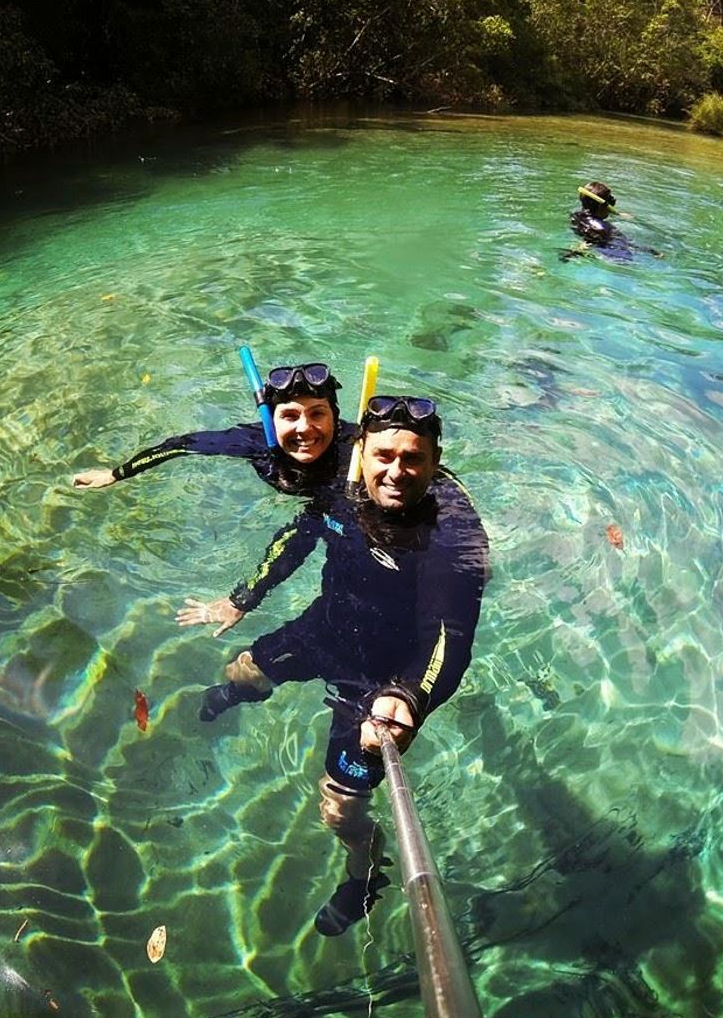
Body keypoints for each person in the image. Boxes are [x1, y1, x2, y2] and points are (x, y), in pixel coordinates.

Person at [177, 395, 490, 936]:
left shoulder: (452, 532)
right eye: (385, 455)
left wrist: (410, 697)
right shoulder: (341, 487)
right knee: (241, 670)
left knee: (340, 809)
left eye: (414, 459)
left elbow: (449, 640)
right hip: (328, 627)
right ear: (361, 451)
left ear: (436, 461)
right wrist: (241, 599)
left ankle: (362, 876)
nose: (396, 472)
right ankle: (238, 696)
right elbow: (298, 537)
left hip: (382, 680)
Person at [71, 363, 353, 495]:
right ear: (270, 420)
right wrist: (116, 474)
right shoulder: (253, 442)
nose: (305, 428)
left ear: (335, 417)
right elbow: (180, 445)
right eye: (290, 416)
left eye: (318, 413)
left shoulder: (356, 443)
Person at [561, 181, 644, 261]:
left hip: (591, 240)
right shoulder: (606, 229)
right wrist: (652, 251)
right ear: (602, 207)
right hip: (615, 257)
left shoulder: (575, 216)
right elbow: (629, 244)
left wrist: (617, 214)